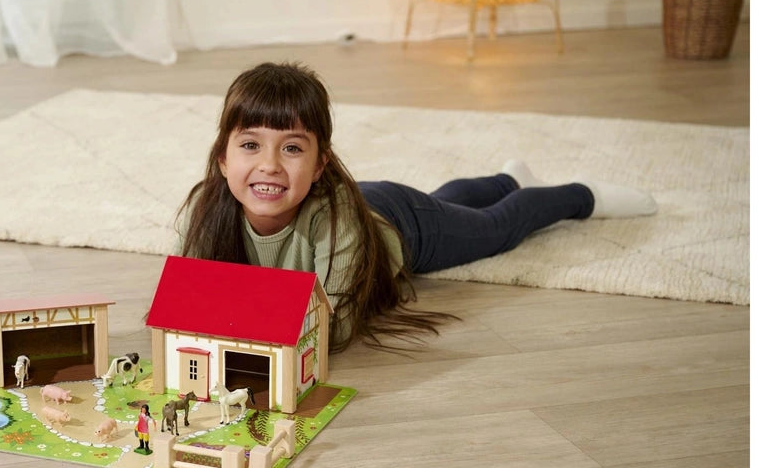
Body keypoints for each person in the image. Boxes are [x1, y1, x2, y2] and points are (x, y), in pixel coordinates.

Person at [177, 62, 657, 352]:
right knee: (447, 202)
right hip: (384, 204)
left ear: (321, 163)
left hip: (401, 224)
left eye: (292, 149)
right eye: (250, 146)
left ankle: (580, 195)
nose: (270, 166)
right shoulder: (207, 208)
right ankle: (508, 178)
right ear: (222, 157)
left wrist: (243, 317)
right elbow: (185, 302)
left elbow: (336, 326)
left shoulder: (334, 216)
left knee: (495, 227)